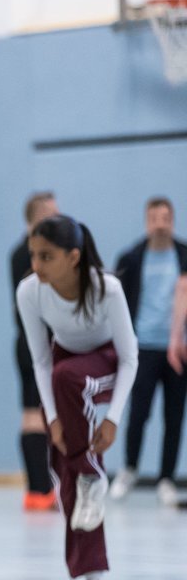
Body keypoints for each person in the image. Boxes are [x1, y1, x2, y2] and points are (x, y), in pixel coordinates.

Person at [16, 215, 137, 580]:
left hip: (106, 366)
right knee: (64, 468)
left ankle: (91, 473)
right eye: (33, 255)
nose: (36, 265)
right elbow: (39, 360)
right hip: (65, 373)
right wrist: (52, 420)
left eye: (46, 256)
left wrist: (112, 419)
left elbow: (129, 358)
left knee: (69, 379)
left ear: (73, 257)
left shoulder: (108, 289)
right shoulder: (30, 292)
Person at [109, 197, 187, 505]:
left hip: (177, 349)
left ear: (172, 220)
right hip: (142, 348)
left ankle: (166, 478)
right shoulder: (131, 257)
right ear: (146, 221)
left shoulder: (183, 256)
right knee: (138, 413)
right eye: (154, 217)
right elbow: (116, 304)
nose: (160, 223)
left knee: (174, 415)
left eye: (165, 217)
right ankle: (129, 469)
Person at [11, 192, 61, 511]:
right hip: (35, 343)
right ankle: (39, 489)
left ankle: (39, 488)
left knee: (37, 414)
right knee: (35, 416)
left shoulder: (25, 251)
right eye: (53, 214)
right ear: (38, 216)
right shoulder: (29, 254)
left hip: (37, 342)